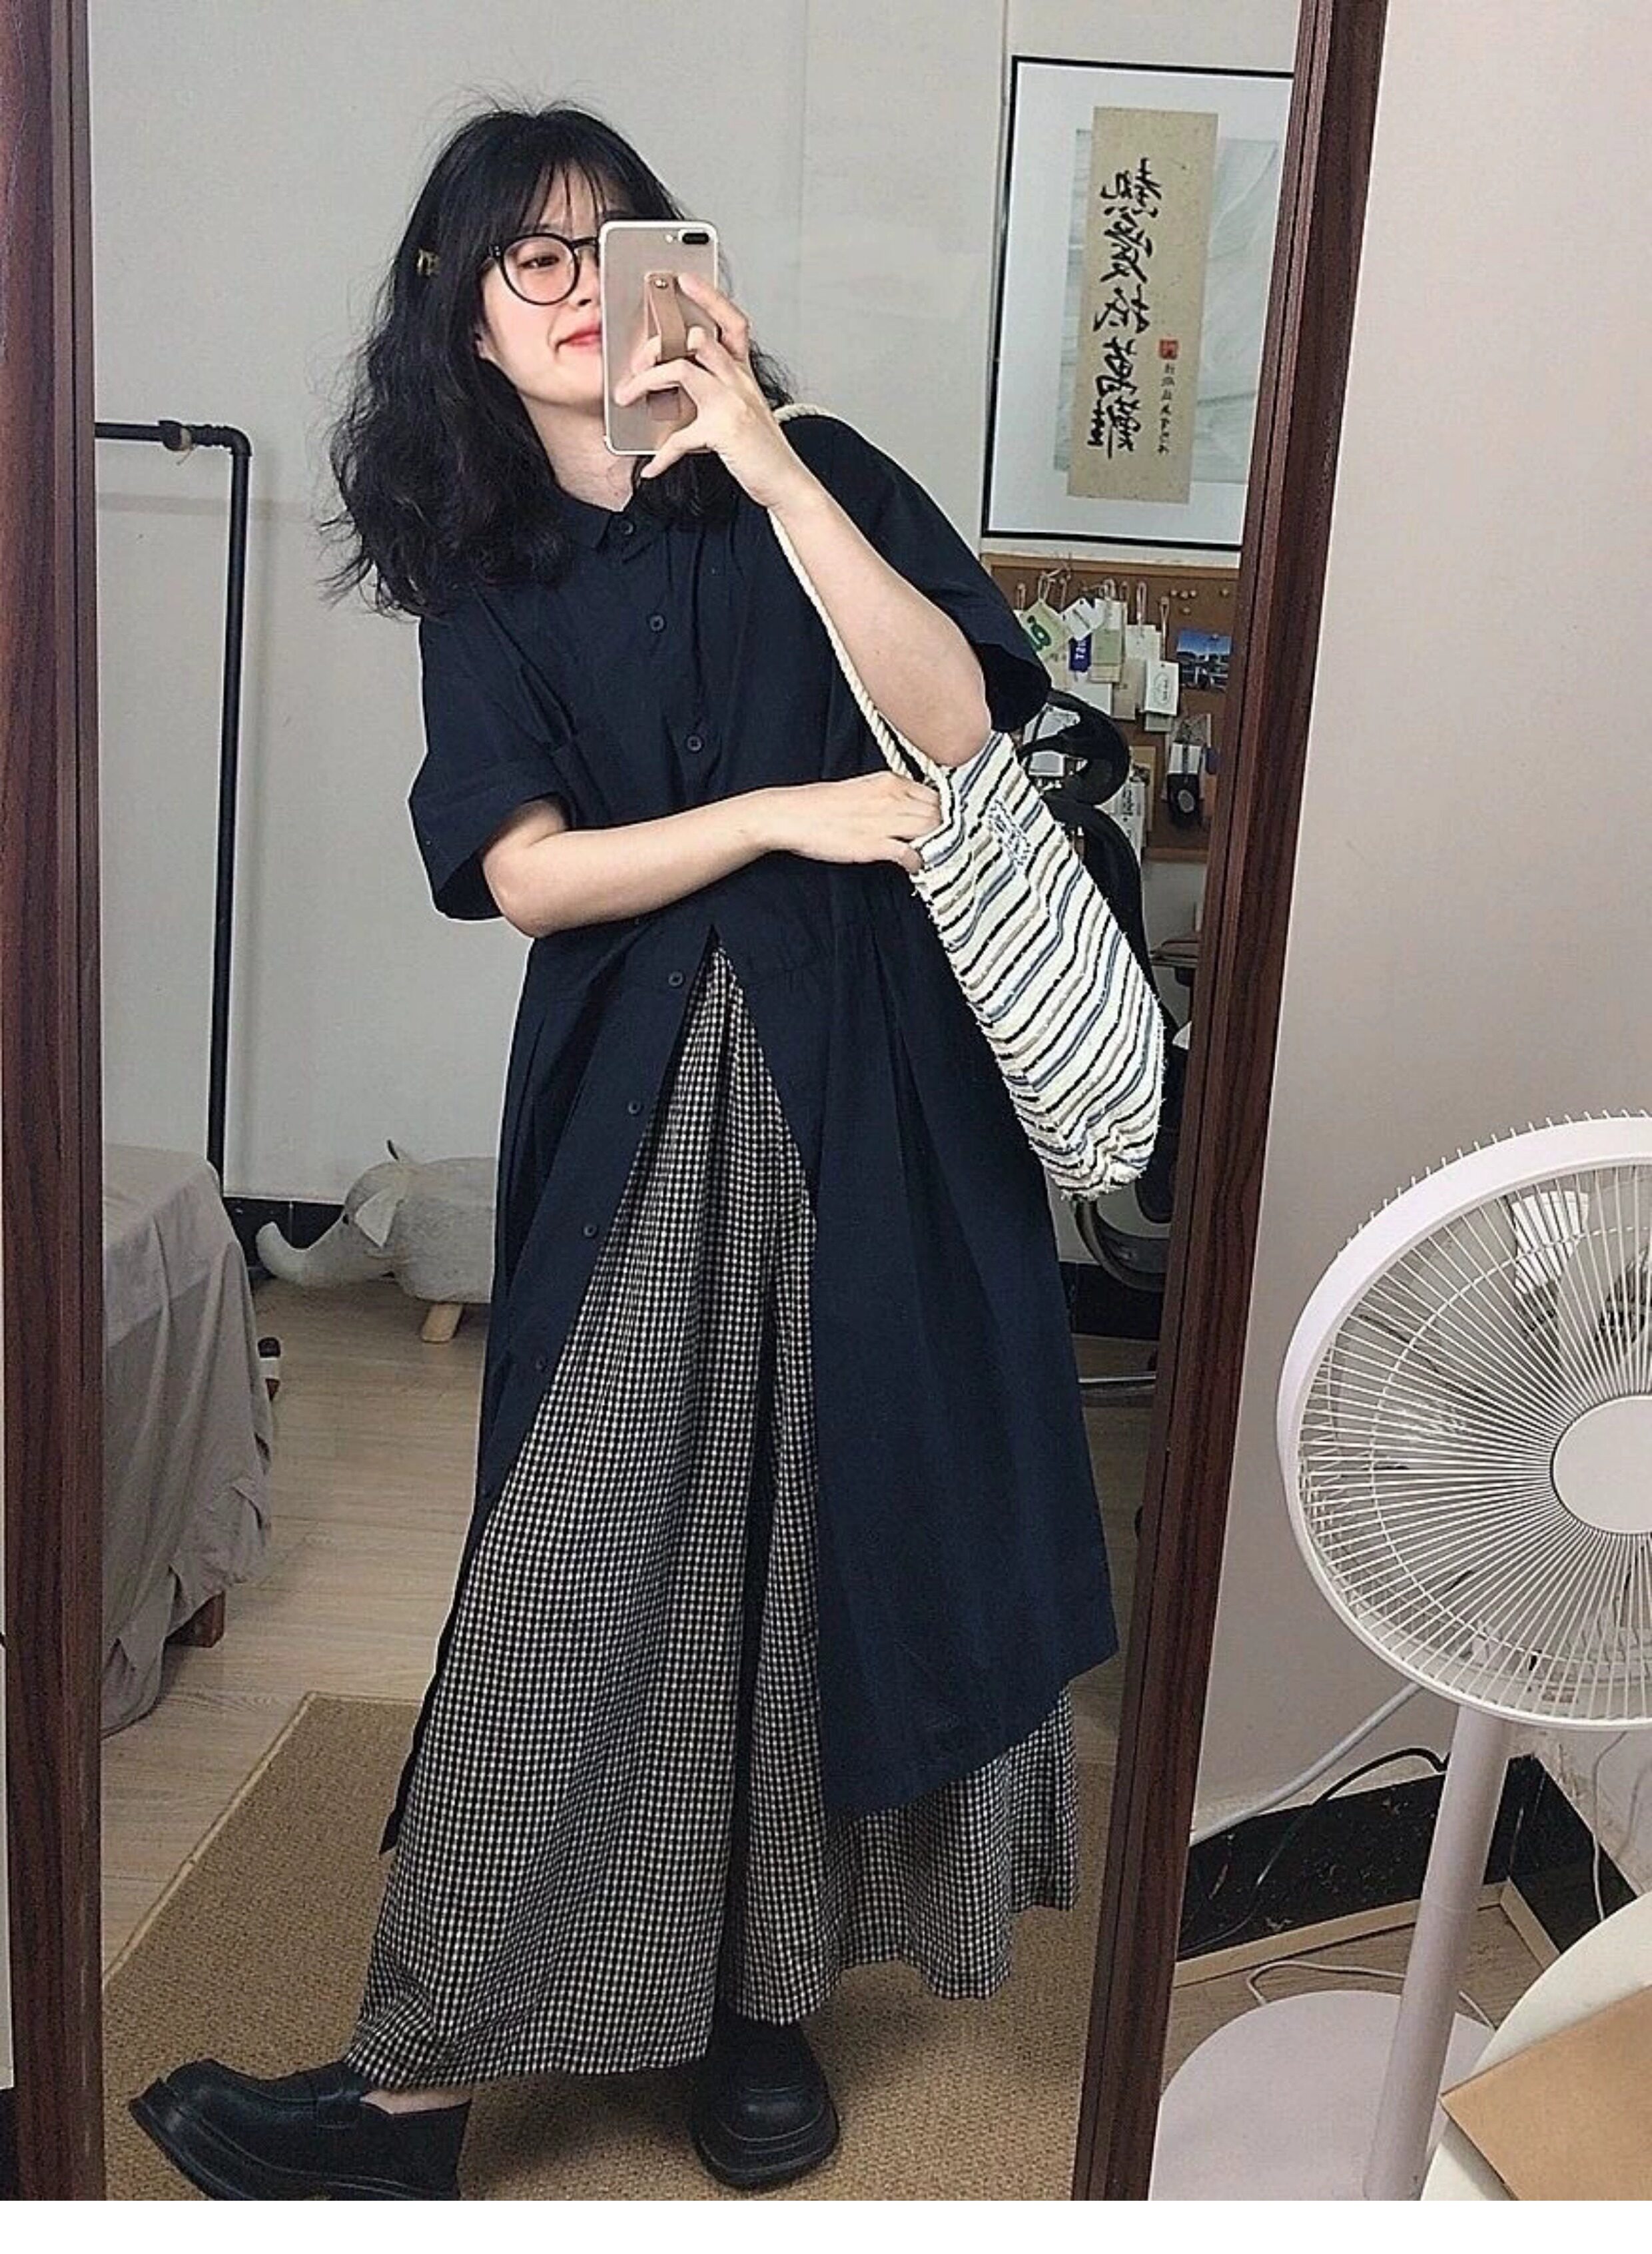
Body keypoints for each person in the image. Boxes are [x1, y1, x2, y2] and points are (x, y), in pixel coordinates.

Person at [129, 99, 1118, 2201]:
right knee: (572, 1577)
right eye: (537, 260)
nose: (585, 292)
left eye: (614, 244)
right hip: (638, 1119)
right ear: (467, 315)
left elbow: (957, 724)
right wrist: (776, 816)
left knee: (823, 1556)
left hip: (877, 1117)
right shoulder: (485, 576)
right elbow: (527, 877)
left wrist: (768, 455)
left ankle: (760, 2023)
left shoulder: (814, 474)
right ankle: (414, 2092)